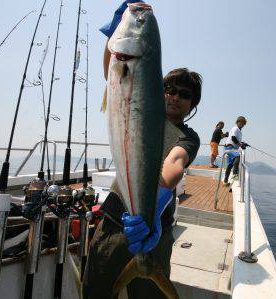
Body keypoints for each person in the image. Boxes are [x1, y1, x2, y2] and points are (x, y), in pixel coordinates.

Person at [83, 3, 202, 299]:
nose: (175, 97)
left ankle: (146, 266)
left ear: (192, 104)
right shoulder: (136, 106)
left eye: (185, 95)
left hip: (152, 229)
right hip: (113, 220)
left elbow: (175, 163)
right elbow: (114, 72)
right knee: (95, 291)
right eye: (170, 89)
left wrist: (158, 193)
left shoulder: (188, 136)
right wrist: (114, 35)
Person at [223, 116, 248, 186]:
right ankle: (234, 173)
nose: (242, 124)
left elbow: (237, 140)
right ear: (237, 122)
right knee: (237, 156)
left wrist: (243, 144)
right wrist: (241, 145)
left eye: (243, 123)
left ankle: (225, 180)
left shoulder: (239, 131)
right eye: (241, 122)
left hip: (232, 148)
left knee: (230, 165)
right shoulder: (235, 128)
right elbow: (233, 138)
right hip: (229, 147)